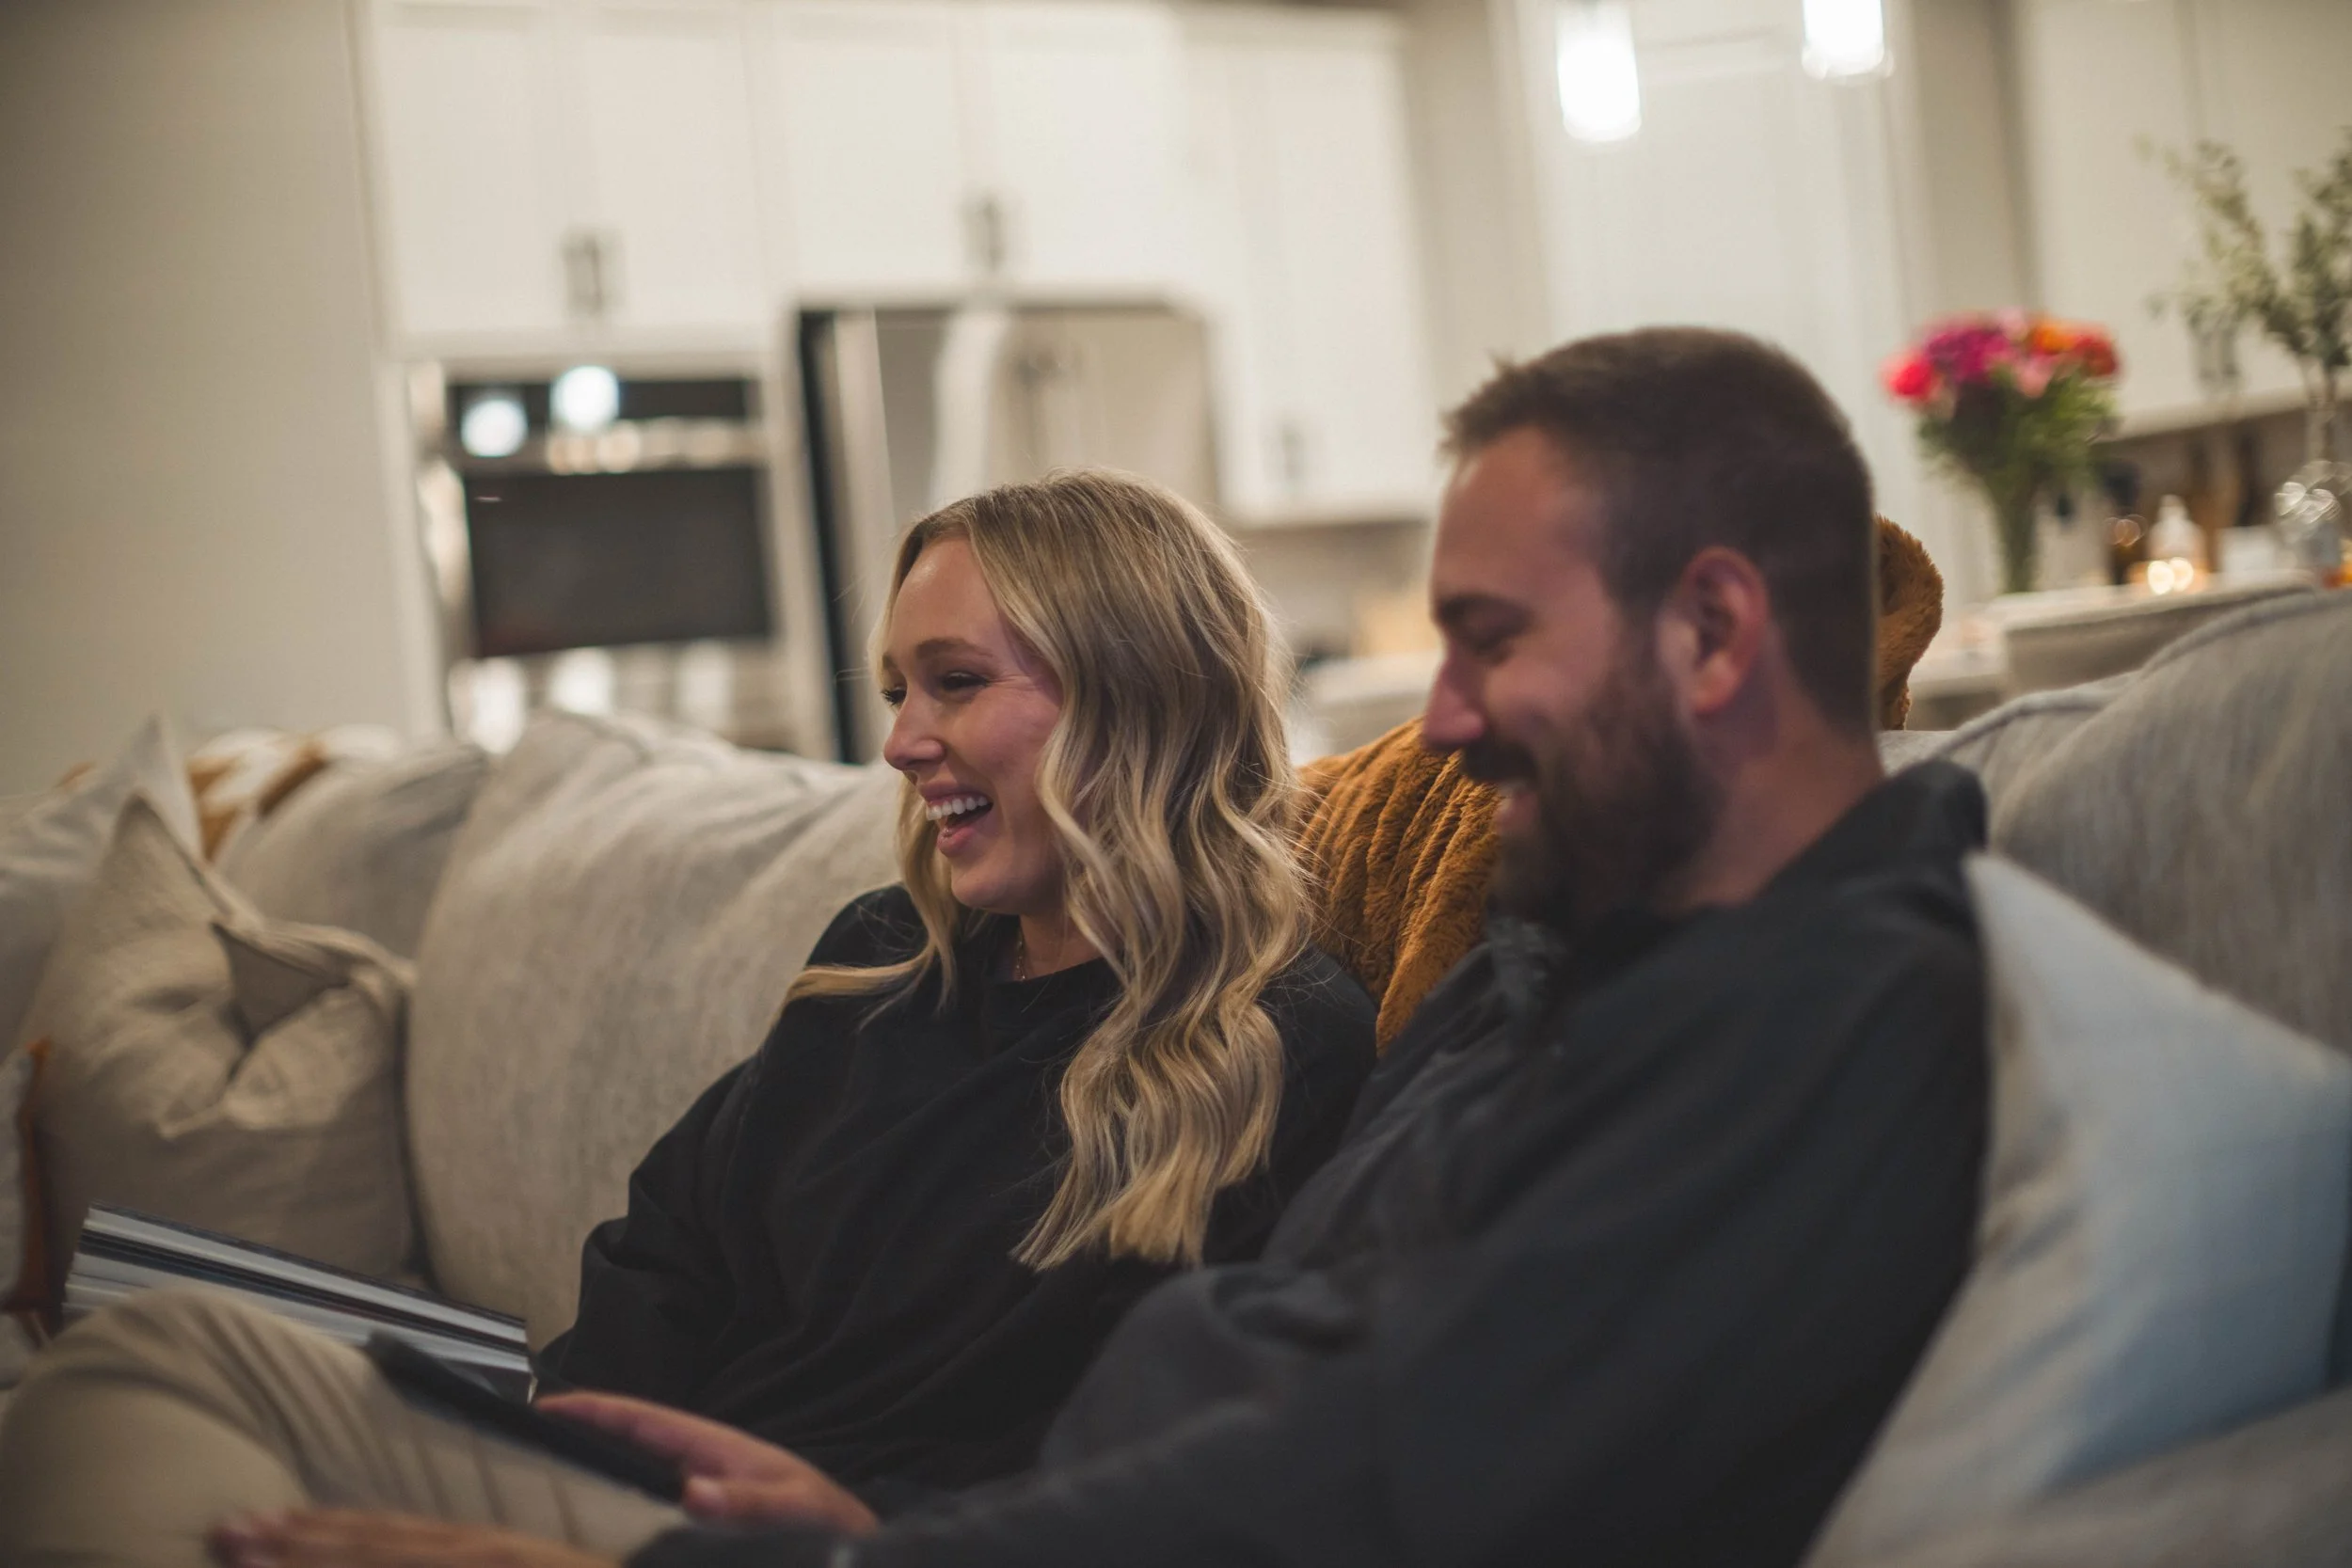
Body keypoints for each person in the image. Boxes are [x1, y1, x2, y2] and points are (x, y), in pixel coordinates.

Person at [205, 325, 1991, 1568]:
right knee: (173, 1361)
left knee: (166, 1396)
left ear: (1713, 631)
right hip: (837, 1514)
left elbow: (1383, 1474)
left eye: (1491, 642)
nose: (1430, 728)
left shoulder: (1814, 1017)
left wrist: (845, 1542)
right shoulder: (1549, 982)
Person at [0, 471, 1378, 1562]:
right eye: (899, 689)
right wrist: (540, 1441)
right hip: (637, 1476)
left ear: (1140, 693)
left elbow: (1174, 1451)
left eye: (956, 682)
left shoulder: (1276, 1041)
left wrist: (867, 1525)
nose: (901, 740)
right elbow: (664, 1252)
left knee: (160, 1367)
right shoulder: (882, 963)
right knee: (151, 1337)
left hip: (810, 1542)